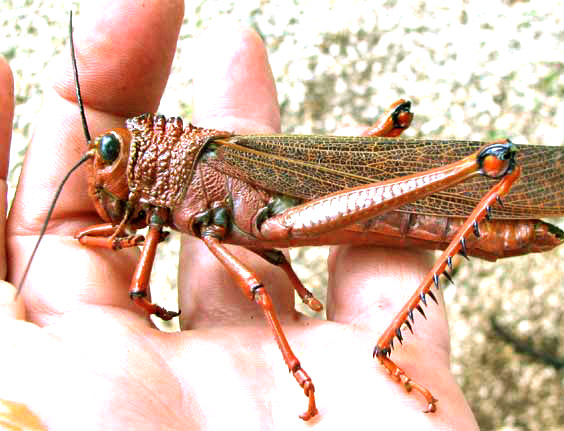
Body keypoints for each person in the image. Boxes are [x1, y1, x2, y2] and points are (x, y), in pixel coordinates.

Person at [0, 1, 478, 429]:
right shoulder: (166, 194)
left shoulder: (192, 168)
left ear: (152, 159)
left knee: (257, 291)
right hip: (291, 216)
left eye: (110, 155)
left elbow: (249, 281)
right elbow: (145, 252)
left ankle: (385, 347)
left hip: (320, 209)